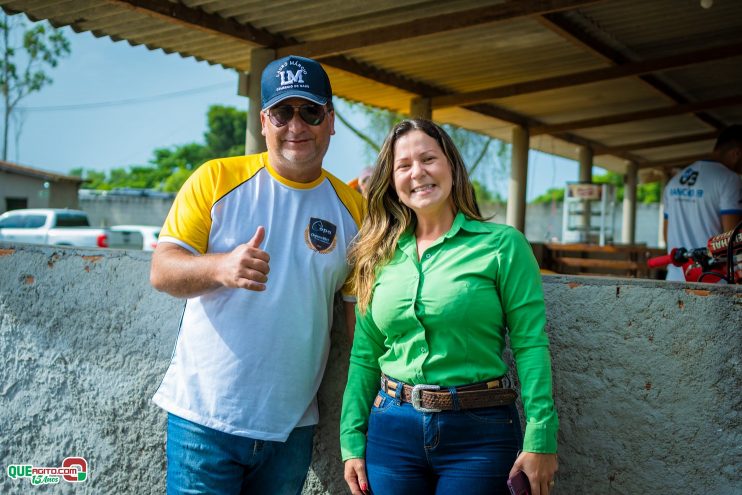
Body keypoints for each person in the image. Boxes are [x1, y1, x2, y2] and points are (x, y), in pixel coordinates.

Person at [149, 54, 364, 494]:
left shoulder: (354, 210)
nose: (296, 126)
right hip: (203, 421)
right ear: (264, 120)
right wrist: (221, 267)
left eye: (310, 111)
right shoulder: (215, 179)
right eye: (283, 112)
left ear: (331, 120)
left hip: (292, 428)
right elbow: (162, 270)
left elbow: (358, 321)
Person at [340, 119, 558, 495]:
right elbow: (364, 356)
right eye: (404, 165)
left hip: (480, 434)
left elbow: (530, 345)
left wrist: (541, 436)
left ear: (452, 167)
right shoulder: (375, 257)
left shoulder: (503, 246)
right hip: (391, 432)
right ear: (392, 181)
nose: (418, 173)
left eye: (428, 159)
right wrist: (351, 441)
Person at [663, 125, 742, 281]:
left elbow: (666, 235)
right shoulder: (730, 180)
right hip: (713, 282)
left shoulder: (674, 181)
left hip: (674, 278)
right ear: (737, 153)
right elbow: (732, 239)